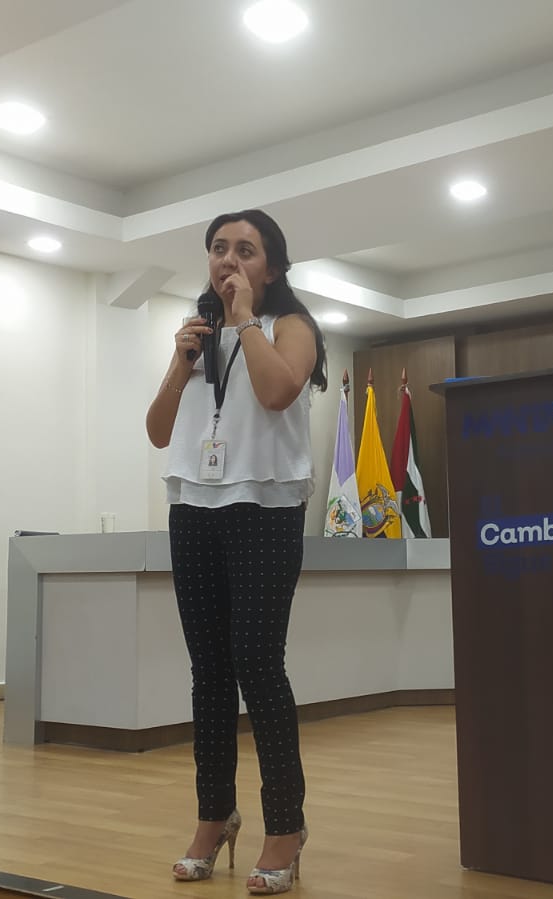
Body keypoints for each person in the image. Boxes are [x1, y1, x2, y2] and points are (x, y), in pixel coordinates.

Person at [145, 209, 327, 894]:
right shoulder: (196, 335)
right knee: (209, 671)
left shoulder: (290, 326)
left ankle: (286, 824)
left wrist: (246, 318)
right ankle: (213, 814)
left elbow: (278, 392)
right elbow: (158, 430)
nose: (228, 260)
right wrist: (180, 360)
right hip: (193, 506)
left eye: (245, 250)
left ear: (271, 267)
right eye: (219, 248)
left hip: (265, 508)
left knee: (257, 662)